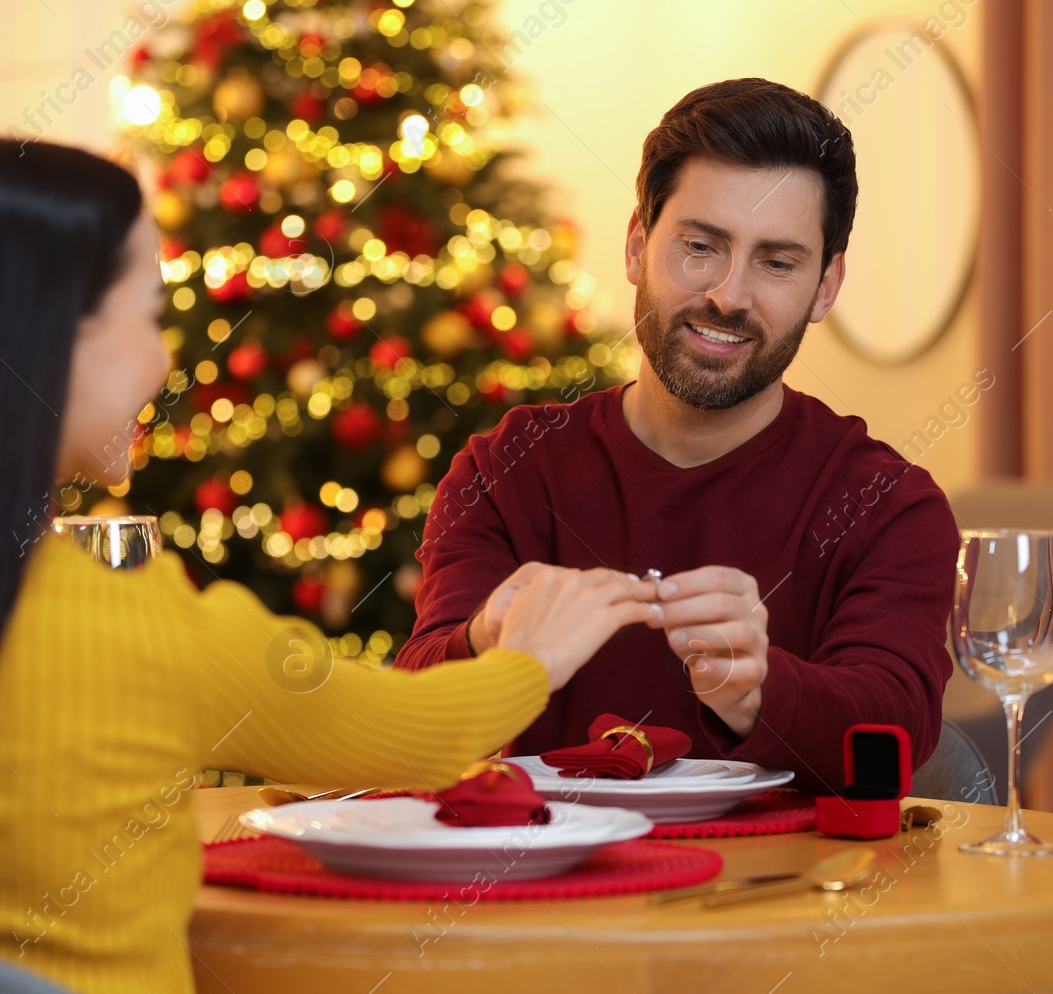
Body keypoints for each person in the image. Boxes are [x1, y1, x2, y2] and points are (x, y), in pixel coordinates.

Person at [0, 136, 659, 994]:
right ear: (47, 337)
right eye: (148, 315)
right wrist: (530, 656)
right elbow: (405, 733)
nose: (163, 363)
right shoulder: (125, 617)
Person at [396, 78, 960, 792]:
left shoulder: (887, 502)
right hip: (531, 895)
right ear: (637, 247)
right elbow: (415, 712)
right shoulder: (505, 470)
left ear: (826, 285)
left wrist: (756, 689)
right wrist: (481, 640)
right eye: (701, 246)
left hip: (783, 896)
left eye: (777, 261)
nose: (728, 294)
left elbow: (896, 735)